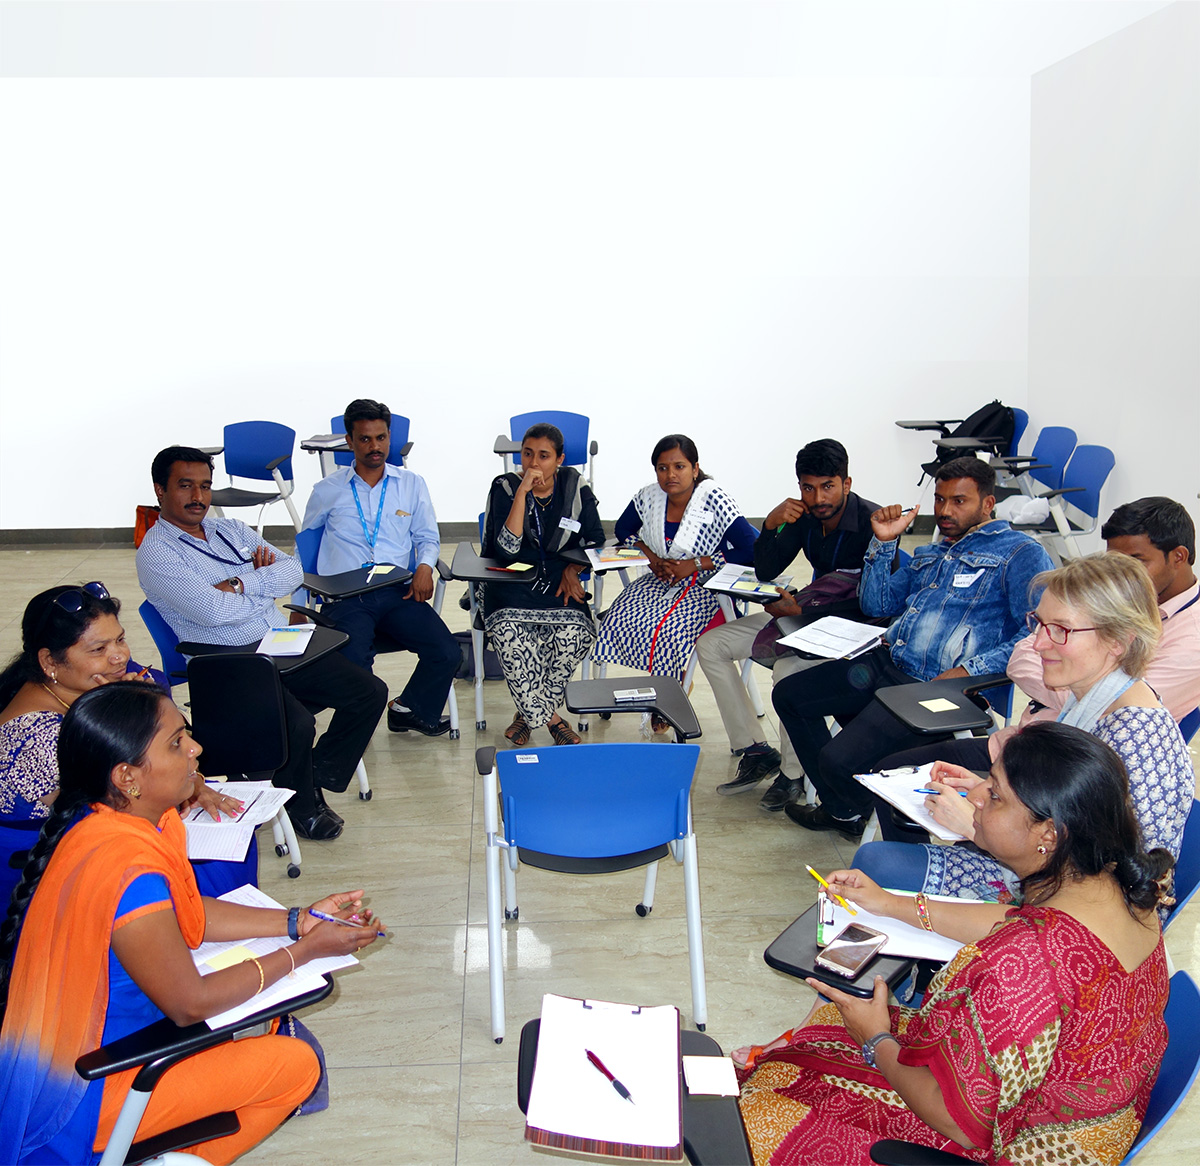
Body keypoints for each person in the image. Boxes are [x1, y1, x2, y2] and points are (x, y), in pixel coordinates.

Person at [733, 722, 1172, 1166]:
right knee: (824, 1024)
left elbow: (958, 1120)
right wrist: (890, 904)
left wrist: (875, 1039)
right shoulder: (1121, 890)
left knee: (755, 1115)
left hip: (1014, 1145)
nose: (975, 796)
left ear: (1049, 834)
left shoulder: (1025, 964)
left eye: (994, 794)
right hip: (1085, 1119)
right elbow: (1011, 921)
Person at [0, 683, 385, 1165]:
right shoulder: (128, 870)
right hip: (86, 1091)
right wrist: (303, 953)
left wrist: (297, 921)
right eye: (176, 742)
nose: (195, 748)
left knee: (268, 1032)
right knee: (296, 1067)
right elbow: (190, 1005)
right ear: (128, 776)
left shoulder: (123, 820)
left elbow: (193, 914)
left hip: (96, 1049)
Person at [854, 553, 1195, 902]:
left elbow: (1104, 885)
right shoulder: (1092, 700)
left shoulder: (1137, 739)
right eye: (1040, 623)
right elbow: (1065, 815)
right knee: (877, 864)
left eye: (1061, 630)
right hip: (1041, 876)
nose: (1038, 643)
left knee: (878, 867)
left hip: (1064, 908)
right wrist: (995, 796)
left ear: (1118, 641)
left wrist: (978, 826)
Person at [773, 456, 1054, 841]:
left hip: (934, 686)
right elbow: (877, 605)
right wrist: (883, 544)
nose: (944, 511)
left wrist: (970, 671)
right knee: (789, 694)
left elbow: (1035, 635)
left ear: (988, 504)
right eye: (939, 500)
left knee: (836, 760)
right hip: (886, 663)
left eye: (959, 501)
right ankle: (847, 806)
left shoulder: (1020, 554)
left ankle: (849, 802)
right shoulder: (934, 552)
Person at [137, 446, 388, 841]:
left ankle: (314, 774)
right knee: (299, 724)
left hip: (280, 642)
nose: (198, 497)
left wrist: (239, 584)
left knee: (369, 692)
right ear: (160, 490)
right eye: (185, 486)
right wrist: (257, 588)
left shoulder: (230, 529)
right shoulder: (156, 553)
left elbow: (291, 572)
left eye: (205, 486)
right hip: (227, 661)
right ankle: (301, 804)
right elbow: (212, 611)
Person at [0, 584, 252, 901]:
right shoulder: (40, 737)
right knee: (222, 861)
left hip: (97, 835)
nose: (119, 657)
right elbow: (126, 797)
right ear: (50, 662)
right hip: (56, 876)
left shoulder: (78, 684)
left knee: (232, 834)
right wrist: (135, 713)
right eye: (98, 650)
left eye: (120, 639)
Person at [697, 438, 881, 810]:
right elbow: (766, 569)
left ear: (847, 483)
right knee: (711, 646)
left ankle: (793, 775)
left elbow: (875, 605)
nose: (817, 498)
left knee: (787, 673)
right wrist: (770, 524)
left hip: (848, 634)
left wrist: (801, 612)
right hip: (801, 617)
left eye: (828, 486)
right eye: (808, 487)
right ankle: (755, 748)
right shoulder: (807, 516)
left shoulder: (871, 524)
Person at [299, 399, 460, 737]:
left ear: (390, 437)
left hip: (395, 591)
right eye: (365, 439)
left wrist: (425, 568)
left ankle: (409, 710)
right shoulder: (326, 491)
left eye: (381, 437)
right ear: (349, 441)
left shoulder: (411, 484)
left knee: (446, 652)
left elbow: (428, 537)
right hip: (346, 596)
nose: (375, 447)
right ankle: (350, 736)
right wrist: (300, 607)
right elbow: (305, 551)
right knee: (355, 665)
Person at [592, 435, 757, 701]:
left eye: (679, 466)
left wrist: (695, 564)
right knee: (618, 618)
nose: (670, 474)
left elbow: (750, 550)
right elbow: (623, 528)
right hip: (660, 579)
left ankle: (669, 695)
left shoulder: (715, 498)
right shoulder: (650, 496)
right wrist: (652, 558)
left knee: (669, 631)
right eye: (662, 468)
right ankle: (663, 684)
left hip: (707, 585)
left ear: (695, 468)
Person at [1008, 496, 1200, 722]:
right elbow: (1021, 655)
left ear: (1179, 557)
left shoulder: (1193, 639)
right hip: (1025, 738)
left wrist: (1064, 681)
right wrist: (1073, 682)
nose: (1120, 575)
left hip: (1073, 752)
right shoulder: (1112, 597)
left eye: (1137, 561)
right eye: (1114, 562)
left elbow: (1113, 706)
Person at [481, 422, 604, 746]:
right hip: (510, 580)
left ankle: (526, 714)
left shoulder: (575, 487)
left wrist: (573, 569)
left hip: (558, 581)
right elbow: (505, 548)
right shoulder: (505, 487)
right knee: (511, 635)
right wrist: (523, 493)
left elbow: (595, 539)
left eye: (544, 456)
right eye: (527, 454)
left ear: (560, 459)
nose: (534, 464)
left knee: (575, 634)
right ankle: (550, 719)